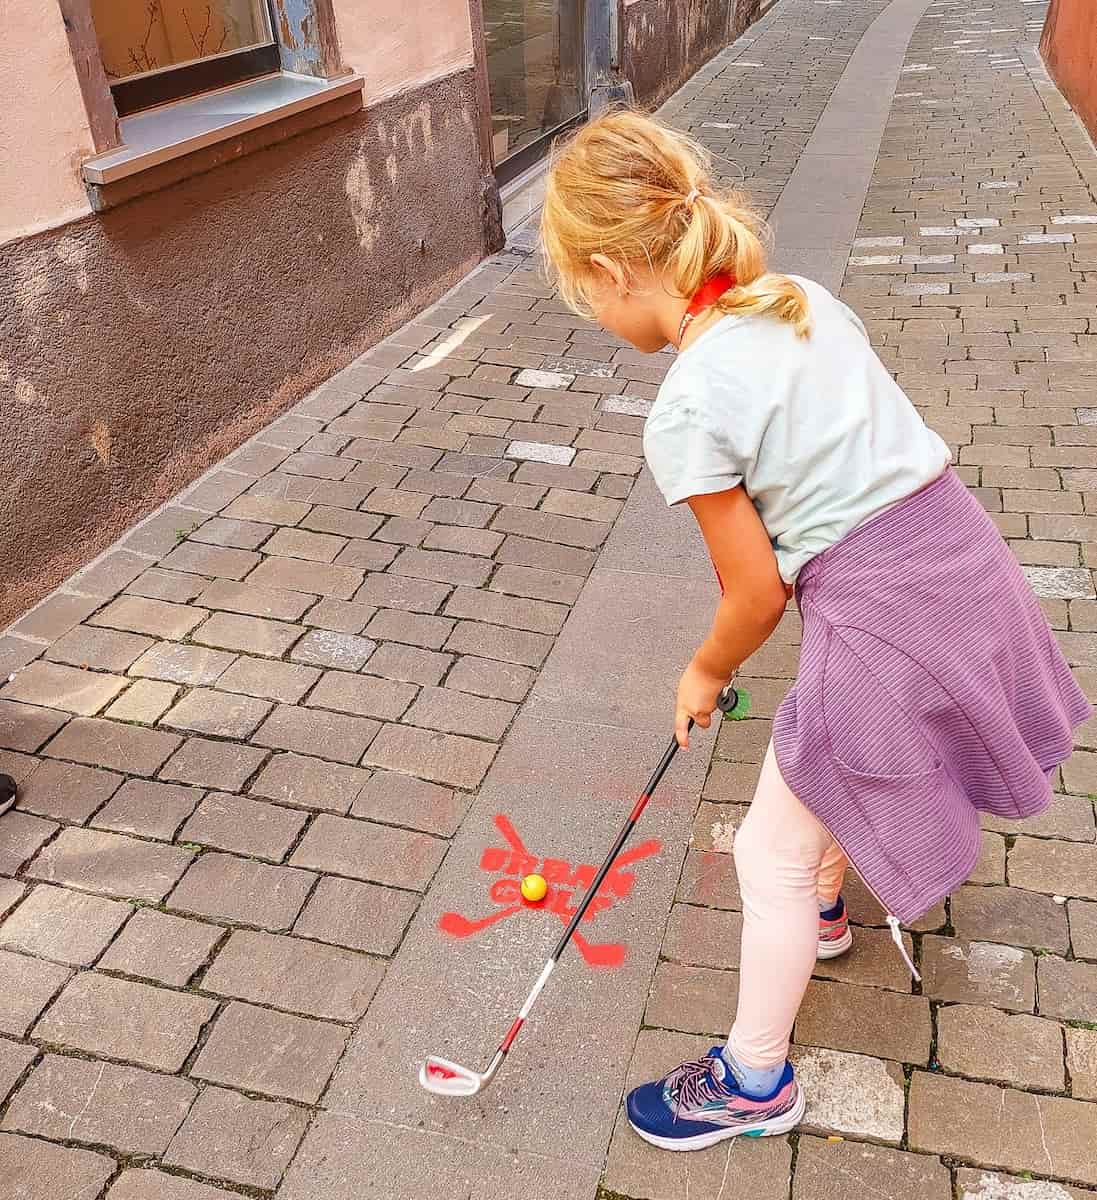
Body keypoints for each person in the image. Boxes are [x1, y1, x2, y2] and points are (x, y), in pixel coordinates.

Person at [540, 110, 1091, 1151]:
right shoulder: (801, 301)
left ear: (614, 270)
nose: (595, 313)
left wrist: (703, 669)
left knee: (764, 851)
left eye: (585, 294)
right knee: (823, 757)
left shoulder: (687, 406)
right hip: (964, 564)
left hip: (885, 613)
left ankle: (751, 1081)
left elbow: (753, 595)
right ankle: (825, 913)